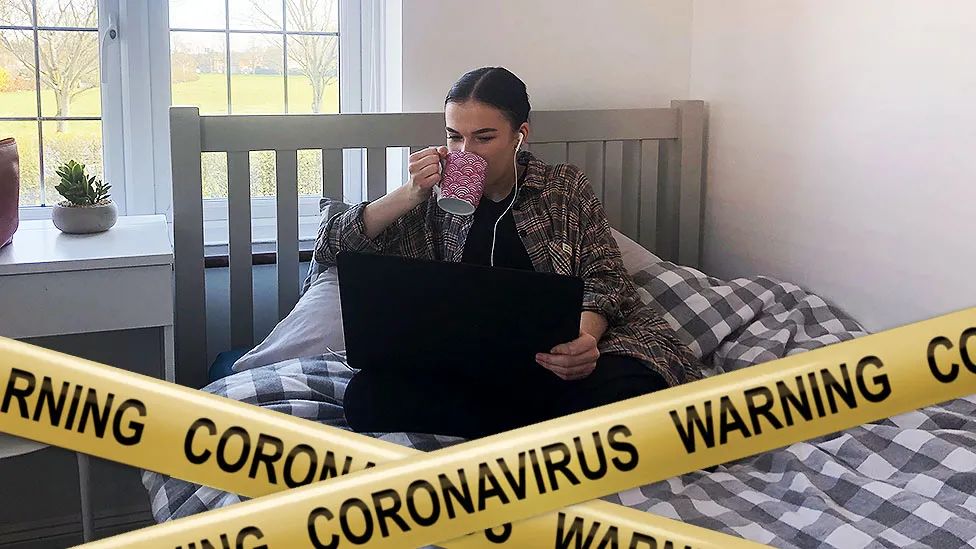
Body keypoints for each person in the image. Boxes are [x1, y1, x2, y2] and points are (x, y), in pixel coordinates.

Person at [314, 67, 702, 439]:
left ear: (520, 135)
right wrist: (409, 193)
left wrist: (583, 339)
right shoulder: (432, 200)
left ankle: (512, 423)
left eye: (483, 138)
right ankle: (548, 427)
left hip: (557, 364)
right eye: (454, 137)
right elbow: (332, 247)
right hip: (469, 362)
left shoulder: (562, 189)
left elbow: (606, 276)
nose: (466, 151)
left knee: (634, 384)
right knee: (364, 398)